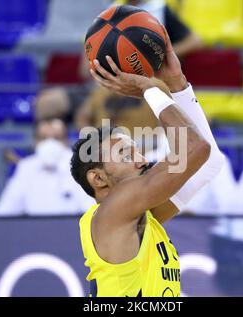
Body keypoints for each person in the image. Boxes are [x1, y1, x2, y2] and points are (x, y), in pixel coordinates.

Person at [71, 29, 224, 296]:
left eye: (137, 151)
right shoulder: (113, 210)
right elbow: (196, 148)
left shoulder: (140, 218)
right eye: (126, 155)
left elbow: (208, 161)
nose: (142, 160)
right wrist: (149, 88)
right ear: (98, 179)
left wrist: (178, 84)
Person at [0, 119, 94, 216]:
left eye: (57, 138)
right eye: (44, 138)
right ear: (35, 141)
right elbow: (3, 212)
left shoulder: (81, 166)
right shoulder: (26, 167)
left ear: (66, 141)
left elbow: (91, 211)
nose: (50, 144)